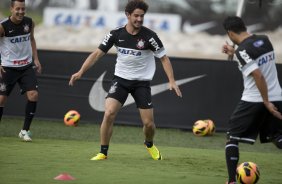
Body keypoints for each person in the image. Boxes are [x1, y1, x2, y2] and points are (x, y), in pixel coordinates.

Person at [69, 0, 182, 160]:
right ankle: (103, 152)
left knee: (149, 124)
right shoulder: (116, 34)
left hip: (141, 83)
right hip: (121, 80)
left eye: (142, 16)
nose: (139, 19)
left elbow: (164, 58)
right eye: (136, 15)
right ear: (127, 15)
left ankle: (149, 144)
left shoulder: (150, 36)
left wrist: (171, 80)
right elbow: (96, 54)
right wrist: (80, 72)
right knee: (108, 113)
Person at [222, 16, 282, 184]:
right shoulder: (264, 39)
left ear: (230, 33)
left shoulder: (242, 51)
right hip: (277, 95)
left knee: (232, 137)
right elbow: (254, 56)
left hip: (255, 100)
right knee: (277, 137)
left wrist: (266, 102)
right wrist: (234, 53)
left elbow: (258, 75)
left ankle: (232, 181)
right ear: (245, 27)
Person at [0, 0, 42, 142]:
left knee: (33, 95)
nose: (20, 12)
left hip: (26, 66)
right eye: (18, 9)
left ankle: (25, 131)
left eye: (23, 9)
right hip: (8, 67)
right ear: (11, 9)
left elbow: (32, 40)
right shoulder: (3, 26)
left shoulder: (29, 22)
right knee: (1, 99)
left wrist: (36, 59)